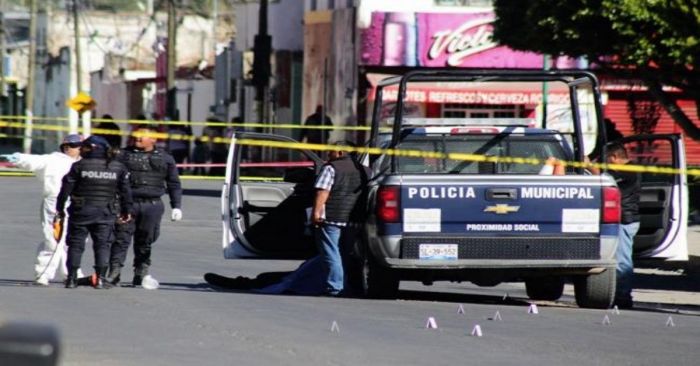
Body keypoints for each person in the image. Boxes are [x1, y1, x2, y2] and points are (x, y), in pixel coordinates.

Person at [0, 135, 85, 285]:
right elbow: (35, 161)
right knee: (53, 238)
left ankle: (72, 271)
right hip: (55, 202)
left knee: (74, 239)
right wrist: (19, 158)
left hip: (80, 203)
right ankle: (43, 274)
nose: (68, 148)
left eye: (72, 145)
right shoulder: (54, 159)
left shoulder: (86, 163)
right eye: (66, 145)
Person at [108, 127, 183, 286]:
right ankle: (114, 271)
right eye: (136, 136)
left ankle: (141, 271)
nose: (138, 139)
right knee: (121, 238)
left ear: (153, 139)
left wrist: (176, 206)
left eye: (142, 136)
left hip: (152, 204)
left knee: (146, 240)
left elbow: (174, 183)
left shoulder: (165, 157)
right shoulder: (121, 155)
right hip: (127, 204)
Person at [56, 135, 132, 289]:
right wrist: (127, 211)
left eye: (84, 147)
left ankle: (71, 279)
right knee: (102, 245)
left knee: (76, 245)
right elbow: (126, 192)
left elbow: (65, 190)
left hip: (81, 212)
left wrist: (60, 209)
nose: (82, 150)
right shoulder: (117, 167)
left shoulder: (79, 166)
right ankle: (101, 279)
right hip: (106, 212)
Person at [311, 142, 370, 296]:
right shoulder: (366, 171)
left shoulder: (331, 168)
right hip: (354, 219)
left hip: (332, 216)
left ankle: (335, 287)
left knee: (331, 252)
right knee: (347, 253)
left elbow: (322, 192)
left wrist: (316, 212)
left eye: (330, 152)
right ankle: (349, 285)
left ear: (340, 152)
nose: (328, 155)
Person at [587, 143, 641, 308]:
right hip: (624, 219)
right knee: (618, 259)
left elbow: (606, 181)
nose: (607, 164)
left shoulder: (629, 171)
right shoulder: (626, 171)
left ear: (615, 157)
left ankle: (624, 297)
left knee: (622, 261)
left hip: (625, 220)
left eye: (608, 160)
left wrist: (590, 166)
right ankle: (620, 294)